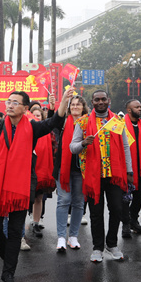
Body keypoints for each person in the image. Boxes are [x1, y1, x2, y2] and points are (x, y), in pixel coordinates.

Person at [0, 88, 72, 282]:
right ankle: (8, 257)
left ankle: (8, 274)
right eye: (9, 101)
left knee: (15, 232)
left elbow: (54, 122)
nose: (10, 105)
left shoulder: (32, 128)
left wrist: (64, 100)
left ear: (25, 108)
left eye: (15, 102)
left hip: (21, 187)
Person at [70, 90, 132, 262]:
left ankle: (111, 244)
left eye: (103, 99)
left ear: (108, 100)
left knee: (117, 210)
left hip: (115, 174)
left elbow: (125, 146)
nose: (100, 102)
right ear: (92, 102)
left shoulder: (116, 121)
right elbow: (72, 147)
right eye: (97, 100)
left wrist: (129, 171)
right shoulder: (83, 122)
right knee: (96, 213)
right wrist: (83, 143)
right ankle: (97, 247)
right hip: (93, 176)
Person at [54, 95, 88, 252]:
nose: (75, 107)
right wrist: (61, 101)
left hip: (82, 169)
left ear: (83, 107)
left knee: (79, 202)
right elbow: (54, 116)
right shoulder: (63, 122)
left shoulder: (88, 123)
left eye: (78, 104)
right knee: (64, 200)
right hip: (63, 168)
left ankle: (73, 236)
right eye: (72, 104)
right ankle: (61, 237)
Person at [123, 99, 141, 237]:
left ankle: (133, 220)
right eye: (136, 107)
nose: (140, 109)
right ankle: (125, 224)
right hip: (126, 169)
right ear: (129, 110)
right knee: (125, 198)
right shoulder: (121, 124)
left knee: (139, 197)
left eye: (140, 106)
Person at [29, 107, 55, 238]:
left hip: (42, 169)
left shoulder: (47, 133)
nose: (36, 118)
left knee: (38, 198)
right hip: (28, 170)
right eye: (33, 115)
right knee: (26, 199)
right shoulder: (26, 131)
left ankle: (36, 223)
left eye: (38, 115)